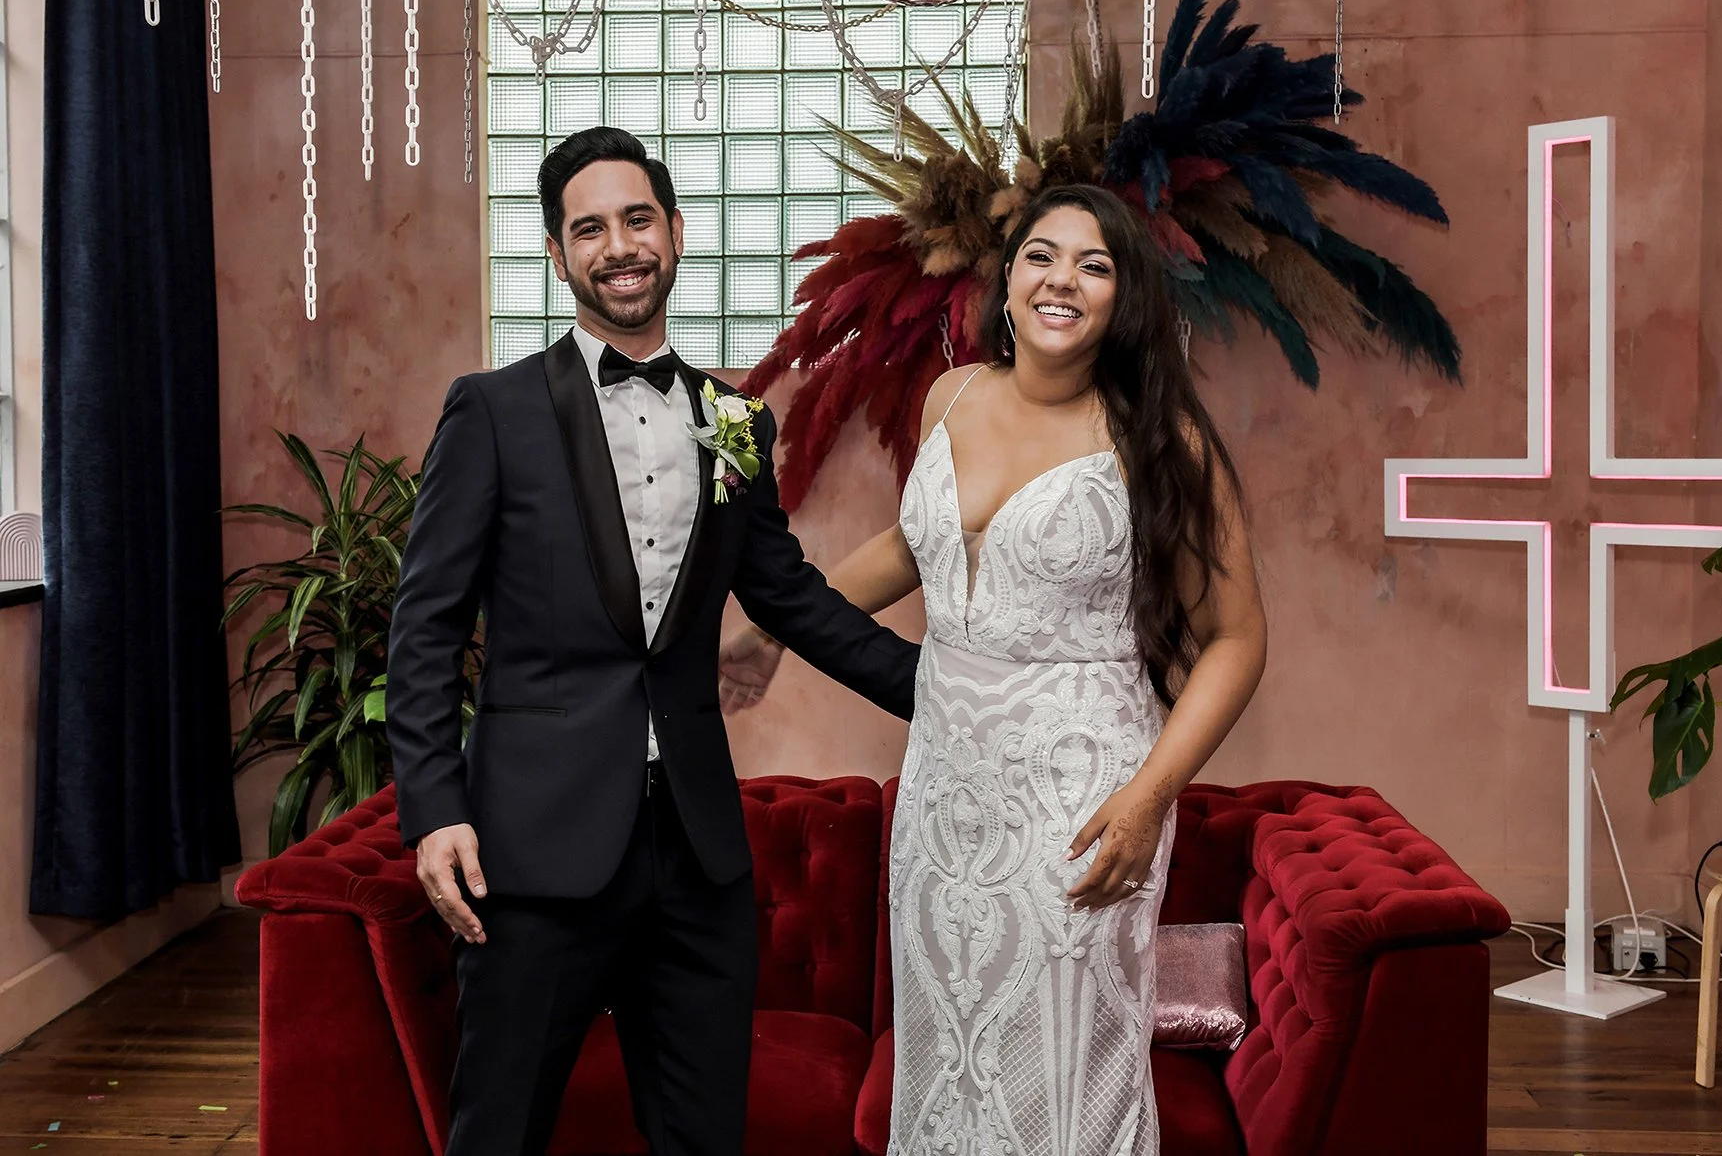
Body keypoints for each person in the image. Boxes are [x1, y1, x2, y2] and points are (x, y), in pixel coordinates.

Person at [387, 125, 921, 1156]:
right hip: (530, 851)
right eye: (588, 228)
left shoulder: (735, 420)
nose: (617, 245)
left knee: (700, 1136)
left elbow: (789, 595)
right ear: (557, 253)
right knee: (495, 1132)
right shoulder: (491, 412)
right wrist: (433, 808)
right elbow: (425, 623)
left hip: (696, 856)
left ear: (674, 232)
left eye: (636, 219)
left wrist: (945, 688)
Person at [718, 184, 1267, 1154]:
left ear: (1121, 298)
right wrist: (772, 626)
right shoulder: (951, 394)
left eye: (1093, 265)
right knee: (948, 1053)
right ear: (1005, 282)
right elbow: (910, 543)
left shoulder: (1158, 435)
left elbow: (1234, 636)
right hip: (943, 794)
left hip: (1082, 797)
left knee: (1064, 1073)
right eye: (1040, 257)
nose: (1062, 280)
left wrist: (1149, 796)